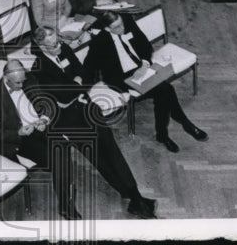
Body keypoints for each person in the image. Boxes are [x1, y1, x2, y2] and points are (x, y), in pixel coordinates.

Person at [29, 27, 158, 219]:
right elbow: (62, 95)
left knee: (111, 150)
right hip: (68, 122)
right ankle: (131, 196)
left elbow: (84, 71)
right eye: (53, 45)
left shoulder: (63, 49)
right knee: (98, 158)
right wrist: (77, 85)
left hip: (86, 108)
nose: (59, 46)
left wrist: (77, 84)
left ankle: (134, 195)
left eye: (59, 41)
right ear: (41, 46)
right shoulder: (39, 69)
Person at [85, 12, 208, 153]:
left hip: (141, 69)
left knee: (164, 91)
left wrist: (144, 64)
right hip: (122, 79)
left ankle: (166, 133)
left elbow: (145, 45)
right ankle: (181, 126)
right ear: (107, 29)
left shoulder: (127, 23)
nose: (122, 28)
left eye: (122, 24)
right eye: (117, 27)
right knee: (166, 90)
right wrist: (85, 90)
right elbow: (88, 67)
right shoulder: (99, 42)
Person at [0, 60, 80, 220]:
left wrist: (44, 119)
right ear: (6, 78)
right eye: (17, 83)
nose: (21, 86)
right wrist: (18, 132)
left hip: (38, 127)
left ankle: (64, 188)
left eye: (23, 81)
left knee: (62, 147)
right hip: (20, 141)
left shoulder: (29, 80)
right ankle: (65, 202)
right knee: (58, 157)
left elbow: (48, 102)